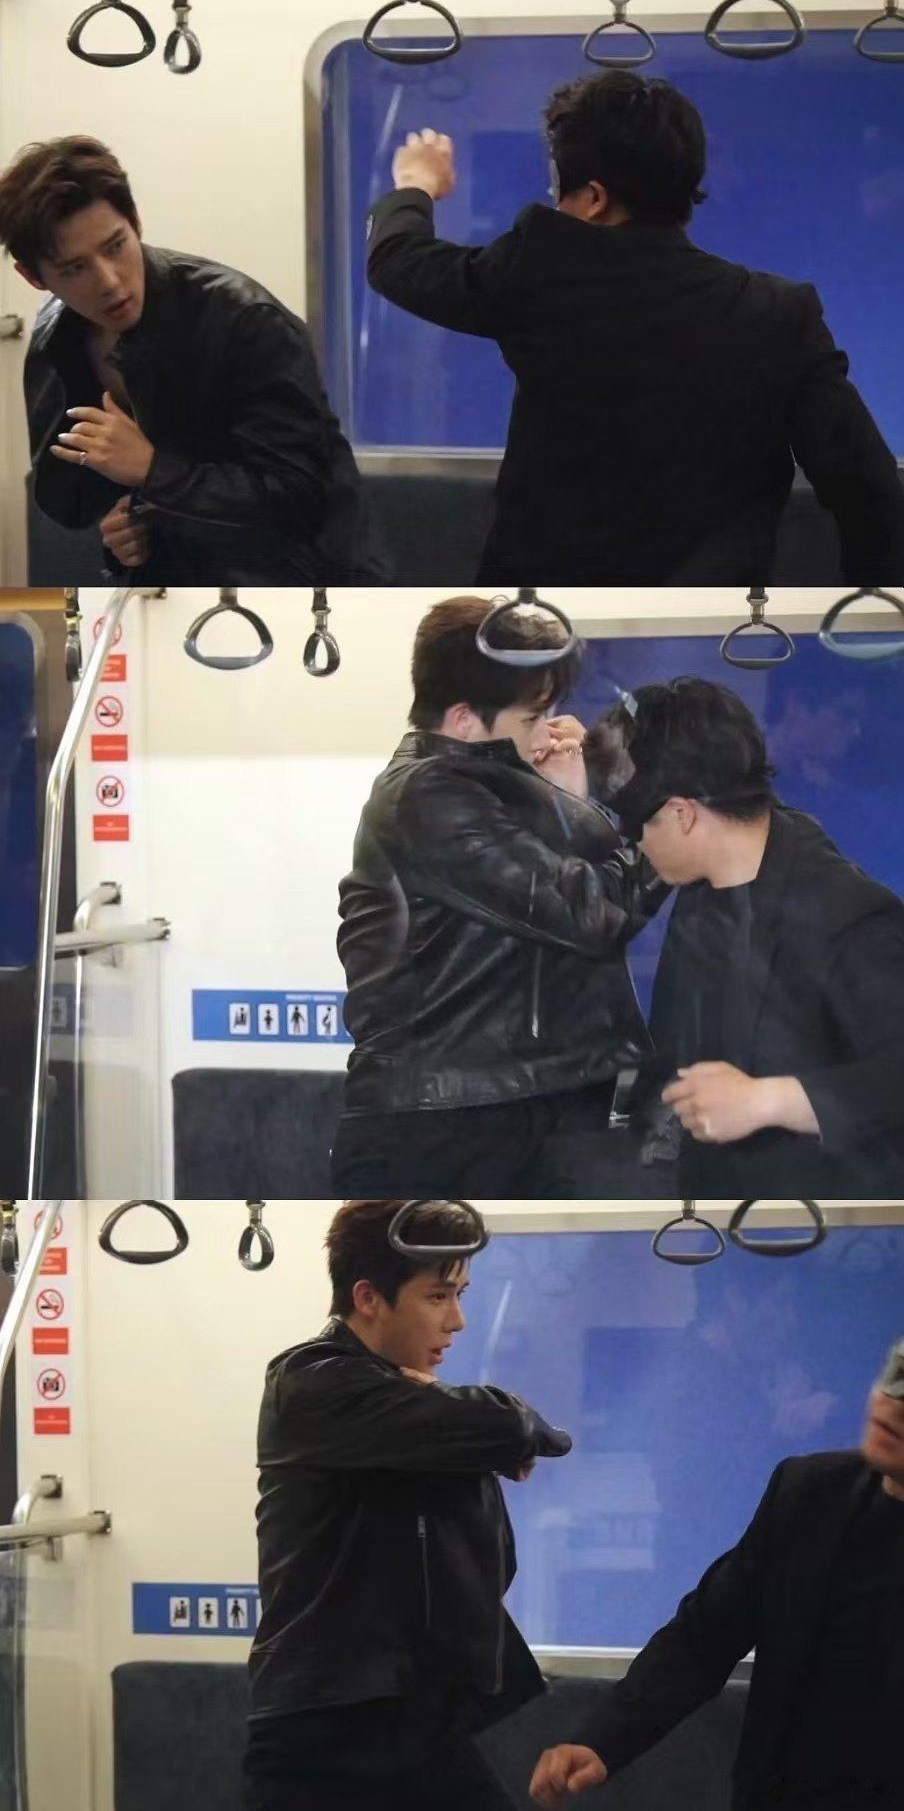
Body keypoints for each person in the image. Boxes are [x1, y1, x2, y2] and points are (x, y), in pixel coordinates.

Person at [365, 74, 904, 588]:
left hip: (545, 614)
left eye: (559, 190)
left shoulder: (537, 273)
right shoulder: (778, 312)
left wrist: (416, 186)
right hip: (711, 619)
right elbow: (865, 486)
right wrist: (872, 617)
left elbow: (398, 261)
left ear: (594, 199)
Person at [332, 595, 673, 1201]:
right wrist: (674, 833)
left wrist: (572, 798)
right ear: (464, 720)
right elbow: (588, 911)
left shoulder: (498, 785)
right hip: (448, 1123)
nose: (551, 732)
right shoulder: (429, 793)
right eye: (533, 717)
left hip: (522, 1103)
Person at [244, 1198, 572, 1811]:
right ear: (369, 1298)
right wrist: (475, 1423)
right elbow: (513, 1429)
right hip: (323, 1730)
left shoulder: (401, 1404)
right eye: (437, 1297)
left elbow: (533, 1442)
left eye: (460, 1295)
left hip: (409, 1717)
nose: (458, 1321)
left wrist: (459, 1419)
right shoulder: (311, 1382)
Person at [530, 1334, 904, 1811]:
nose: (894, 1402)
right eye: (896, 1374)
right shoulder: (810, 1492)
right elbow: (704, 1637)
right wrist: (601, 1741)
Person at [0, 136, 387, 586]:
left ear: (135, 221)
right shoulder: (58, 337)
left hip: (311, 585)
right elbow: (71, 502)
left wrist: (152, 471)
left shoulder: (246, 321)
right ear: (34, 277)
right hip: (173, 587)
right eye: (74, 269)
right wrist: (127, 526)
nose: (109, 281)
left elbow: (300, 497)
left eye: (115, 246)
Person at [578, 677, 904, 1199]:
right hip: (711, 1207)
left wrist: (770, 1100)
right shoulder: (703, 889)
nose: (634, 846)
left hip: (816, 1222)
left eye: (636, 830)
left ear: (682, 814)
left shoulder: (846, 914)